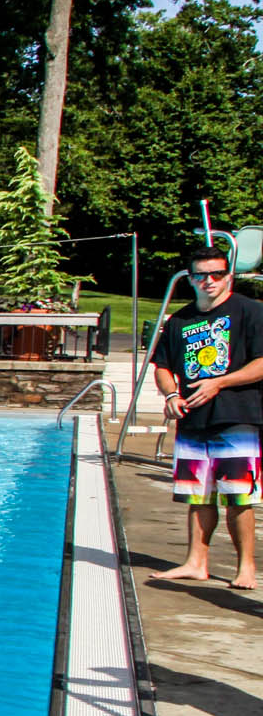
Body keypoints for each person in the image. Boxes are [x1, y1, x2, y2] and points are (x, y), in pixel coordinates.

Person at [150, 248, 263, 589]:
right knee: (197, 497)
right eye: (201, 275)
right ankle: (195, 562)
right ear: (191, 278)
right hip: (193, 419)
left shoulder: (251, 312)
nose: (209, 280)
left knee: (239, 498)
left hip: (237, 418)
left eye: (216, 274)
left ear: (229, 276)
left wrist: (220, 382)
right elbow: (163, 367)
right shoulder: (180, 320)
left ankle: (246, 567)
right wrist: (171, 395)